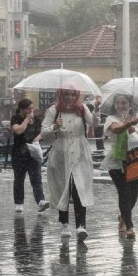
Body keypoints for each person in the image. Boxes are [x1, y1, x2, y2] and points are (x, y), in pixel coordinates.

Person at [41, 87, 94, 241]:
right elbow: (44, 132)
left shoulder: (82, 109)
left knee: (79, 188)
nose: (70, 97)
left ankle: (81, 226)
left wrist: (96, 108)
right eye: (66, 94)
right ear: (61, 95)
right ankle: (64, 224)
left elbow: (94, 123)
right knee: (62, 188)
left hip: (80, 153)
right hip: (61, 152)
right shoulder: (54, 110)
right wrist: (55, 127)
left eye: (73, 94)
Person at [101, 93, 138, 239]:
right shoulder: (111, 119)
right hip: (117, 162)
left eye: (124, 103)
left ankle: (123, 216)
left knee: (134, 196)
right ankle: (130, 226)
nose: (120, 106)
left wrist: (134, 129)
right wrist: (129, 124)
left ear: (130, 104)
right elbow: (116, 129)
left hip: (135, 160)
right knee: (124, 193)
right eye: (118, 103)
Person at [11, 99, 50, 214]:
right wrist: (27, 120)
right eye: (28, 109)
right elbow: (18, 131)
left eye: (32, 108)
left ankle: (40, 201)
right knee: (19, 179)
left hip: (33, 153)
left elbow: (42, 133)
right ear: (22, 109)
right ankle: (19, 203)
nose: (31, 110)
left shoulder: (37, 120)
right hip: (19, 153)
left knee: (36, 178)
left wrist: (36, 140)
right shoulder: (16, 118)